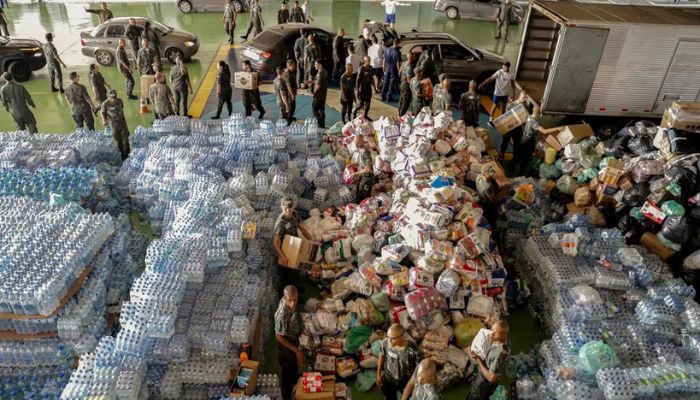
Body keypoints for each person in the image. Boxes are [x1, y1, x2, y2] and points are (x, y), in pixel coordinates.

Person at [376, 324, 422, 400]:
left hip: (405, 381)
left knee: (407, 397)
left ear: (402, 336)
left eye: (393, 338)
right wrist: (378, 374)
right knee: (389, 397)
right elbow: (382, 354)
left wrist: (412, 383)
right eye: (388, 337)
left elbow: (419, 367)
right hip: (388, 378)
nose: (389, 340)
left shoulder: (413, 349)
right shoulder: (385, 342)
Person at [511, 105, 560, 176]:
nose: (540, 115)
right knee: (525, 159)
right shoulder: (534, 121)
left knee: (517, 155)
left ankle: (511, 167)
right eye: (539, 113)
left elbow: (538, 126)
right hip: (529, 142)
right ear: (536, 112)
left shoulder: (529, 116)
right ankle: (520, 174)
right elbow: (544, 131)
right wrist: (557, 129)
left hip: (524, 138)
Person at [274, 285, 304, 400]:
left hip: (292, 340)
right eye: (289, 301)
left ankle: (294, 382)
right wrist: (296, 350)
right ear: (285, 299)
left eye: (295, 300)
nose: (292, 303)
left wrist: (299, 331)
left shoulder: (290, 304)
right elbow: (279, 337)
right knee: (287, 374)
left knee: (293, 370)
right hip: (286, 350)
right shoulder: (282, 315)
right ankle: (288, 394)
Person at [467, 320, 510, 400]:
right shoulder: (502, 340)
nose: (492, 333)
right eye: (492, 330)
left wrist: (478, 360)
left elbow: (491, 378)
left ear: (504, 335)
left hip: (484, 384)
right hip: (484, 378)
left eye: (495, 332)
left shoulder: (499, 354)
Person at [100, 89, 130, 161]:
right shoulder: (105, 104)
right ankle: (121, 155)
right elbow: (102, 112)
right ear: (109, 97)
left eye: (114, 98)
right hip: (113, 123)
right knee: (118, 141)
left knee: (125, 140)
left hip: (122, 121)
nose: (113, 100)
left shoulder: (120, 100)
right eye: (112, 98)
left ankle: (127, 155)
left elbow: (121, 109)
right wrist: (104, 120)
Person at [498, 90, 527, 162]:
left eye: (526, 98)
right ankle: (501, 156)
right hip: (509, 127)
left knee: (517, 144)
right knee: (505, 141)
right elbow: (506, 117)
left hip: (518, 128)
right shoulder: (510, 105)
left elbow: (526, 118)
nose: (524, 99)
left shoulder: (525, 107)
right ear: (519, 96)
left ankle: (515, 159)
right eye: (523, 97)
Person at [349, 134, 375, 203]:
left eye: (357, 143)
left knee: (364, 199)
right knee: (358, 195)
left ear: (361, 142)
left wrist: (355, 173)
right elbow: (361, 163)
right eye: (355, 143)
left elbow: (368, 169)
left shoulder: (365, 153)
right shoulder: (361, 151)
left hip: (367, 178)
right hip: (363, 177)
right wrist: (351, 165)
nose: (355, 144)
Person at [353, 56, 374, 121]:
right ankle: (354, 112)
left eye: (370, 61)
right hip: (362, 86)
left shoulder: (371, 68)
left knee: (368, 102)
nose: (369, 62)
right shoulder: (361, 68)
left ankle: (365, 115)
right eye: (368, 61)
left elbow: (372, 78)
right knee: (361, 104)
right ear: (365, 61)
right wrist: (358, 89)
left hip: (368, 86)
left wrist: (375, 88)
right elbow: (358, 80)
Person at [312, 59, 327, 128]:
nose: (315, 66)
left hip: (318, 95)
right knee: (321, 109)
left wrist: (314, 93)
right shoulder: (324, 72)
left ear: (320, 65)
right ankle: (322, 124)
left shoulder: (319, 73)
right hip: (323, 94)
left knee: (314, 109)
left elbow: (318, 85)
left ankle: (319, 123)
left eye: (316, 64)